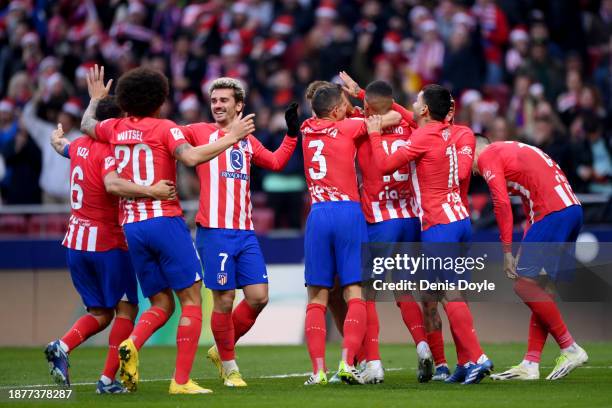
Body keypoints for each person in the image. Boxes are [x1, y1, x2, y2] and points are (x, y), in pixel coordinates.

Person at [80, 65, 255, 395]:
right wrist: (232, 137)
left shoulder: (114, 127)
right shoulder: (165, 128)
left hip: (132, 226)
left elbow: (86, 125)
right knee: (191, 301)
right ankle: (181, 381)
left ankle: (132, 343)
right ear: (159, 98)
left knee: (161, 303)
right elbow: (189, 158)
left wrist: (94, 100)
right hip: (164, 220)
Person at [45, 96, 175, 394]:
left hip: (76, 241)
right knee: (127, 309)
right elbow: (112, 185)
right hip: (108, 242)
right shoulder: (112, 150)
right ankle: (106, 380)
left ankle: (61, 346)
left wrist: (58, 136)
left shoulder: (77, 145)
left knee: (100, 313)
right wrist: (151, 191)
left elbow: (60, 146)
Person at [368, 84, 492, 385]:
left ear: (424, 110)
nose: (413, 102)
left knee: (448, 295)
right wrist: (365, 93)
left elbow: (384, 166)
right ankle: (463, 363)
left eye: (417, 100)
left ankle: (479, 357)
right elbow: (462, 171)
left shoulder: (421, 135)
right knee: (450, 294)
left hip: (438, 225)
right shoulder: (456, 133)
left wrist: (373, 133)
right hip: (461, 220)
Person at [179, 77, 298, 387]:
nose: (218, 105)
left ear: (239, 105)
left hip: (245, 232)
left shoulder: (247, 138)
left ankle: (220, 349)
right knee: (224, 300)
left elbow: (275, 161)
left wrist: (292, 134)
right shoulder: (198, 131)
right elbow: (171, 143)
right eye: (214, 100)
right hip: (214, 231)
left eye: (224, 100)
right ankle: (230, 366)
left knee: (259, 297)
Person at [341, 77, 434, 384]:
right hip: (410, 219)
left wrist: (361, 101)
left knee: (366, 293)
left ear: (367, 107)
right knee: (403, 288)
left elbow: (342, 119)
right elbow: (405, 113)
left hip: (380, 220)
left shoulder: (363, 126)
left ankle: (375, 364)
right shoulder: (411, 127)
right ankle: (422, 347)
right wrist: (370, 96)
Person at [472, 136, 588, 381]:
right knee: (541, 288)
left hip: (552, 212)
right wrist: (523, 245)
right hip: (571, 210)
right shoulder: (512, 150)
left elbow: (501, 203)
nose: (470, 170)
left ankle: (570, 348)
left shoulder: (487, 155)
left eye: (466, 158)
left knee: (524, 285)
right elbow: (528, 200)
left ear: (474, 149)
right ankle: (531, 363)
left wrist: (506, 251)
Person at [301, 85, 369, 386]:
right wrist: (357, 104)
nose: (347, 107)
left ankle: (317, 372)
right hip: (348, 212)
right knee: (354, 291)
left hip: (318, 214)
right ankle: (347, 362)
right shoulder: (349, 128)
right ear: (336, 111)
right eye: (343, 104)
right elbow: (384, 117)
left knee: (317, 296)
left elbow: (315, 110)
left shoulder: (305, 129)